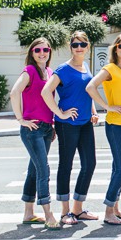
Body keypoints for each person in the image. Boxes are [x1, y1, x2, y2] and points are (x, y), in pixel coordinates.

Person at [9, 37, 75, 230]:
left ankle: (29, 213)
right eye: (37, 50)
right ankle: (48, 214)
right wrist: (20, 119)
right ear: (32, 53)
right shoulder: (29, 71)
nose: (42, 53)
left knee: (34, 170)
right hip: (32, 129)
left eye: (45, 50)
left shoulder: (49, 72)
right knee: (43, 170)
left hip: (46, 128)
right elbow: (14, 93)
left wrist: (53, 123)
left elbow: (48, 101)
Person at [41, 31, 99, 225]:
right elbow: (46, 91)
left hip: (85, 122)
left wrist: (93, 111)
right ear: (70, 47)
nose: (79, 48)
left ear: (88, 46)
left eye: (82, 44)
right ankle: (65, 212)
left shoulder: (85, 67)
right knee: (66, 165)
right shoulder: (63, 69)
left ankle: (78, 208)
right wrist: (60, 112)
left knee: (89, 164)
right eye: (75, 45)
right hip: (67, 124)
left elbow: (86, 93)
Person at [86, 33, 121, 226]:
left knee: (118, 167)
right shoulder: (110, 69)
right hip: (116, 124)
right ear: (115, 49)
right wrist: (106, 107)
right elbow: (90, 87)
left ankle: (116, 208)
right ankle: (108, 210)